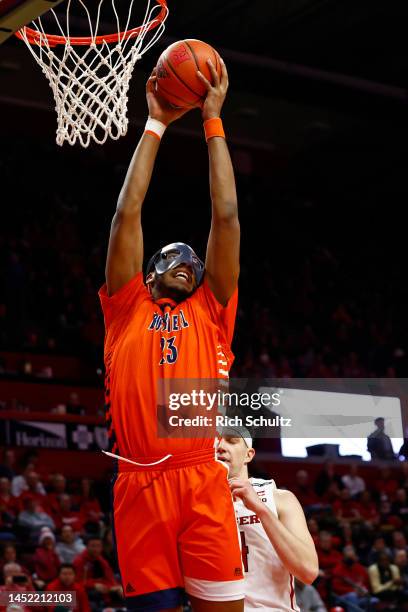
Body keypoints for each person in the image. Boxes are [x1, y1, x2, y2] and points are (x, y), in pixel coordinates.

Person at [98, 58, 243, 611]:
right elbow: (126, 214)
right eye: (171, 256)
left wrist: (213, 121)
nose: (187, 260)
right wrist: (156, 122)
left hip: (202, 480)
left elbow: (226, 216)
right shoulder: (125, 305)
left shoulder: (212, 308)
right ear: (148, 271)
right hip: (139, 486)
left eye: (193, 259)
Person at [216, 430, 318, 610]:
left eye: (231, 441)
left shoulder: (279, 498)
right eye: (215, 442)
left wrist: (260, 509)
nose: (220, 447)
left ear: (249, 455)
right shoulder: (194, 504)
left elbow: (308, 571)